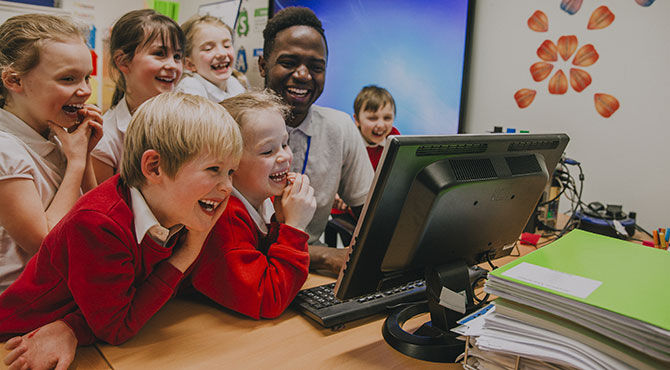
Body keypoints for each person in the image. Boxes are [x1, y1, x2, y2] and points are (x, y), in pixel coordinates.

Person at [0, 92, 242, 370]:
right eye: (214, 169)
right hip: (20, 340)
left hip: (79, 334)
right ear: (154, 167)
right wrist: (190, 250)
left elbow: (149, 293)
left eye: (231, 172)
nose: (227, 187)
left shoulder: (179, 208)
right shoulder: (99, 225)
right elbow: (117, 328)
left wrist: (71, 327)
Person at [258, 7, 374, 274]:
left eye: (316, 67)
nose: (303, 75)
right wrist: (321, 256)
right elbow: (227, 244)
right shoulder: (231, 125)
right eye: (289, 62)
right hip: (252, 268)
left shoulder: (340, 127)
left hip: (310, 273)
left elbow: (371, 216)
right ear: (263, 65)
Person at [0, 14, 103, 293]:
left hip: (56, 291)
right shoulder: (5, 150)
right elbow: (46, 243)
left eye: (86, 78)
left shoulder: (55, 134)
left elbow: (95, 220)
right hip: (17, 304)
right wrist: (76, 163)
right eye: (68, 79)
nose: (84, 91)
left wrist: (84, 157)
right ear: (14, 80)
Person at [190, 90, 315, 319]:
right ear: (230, 163)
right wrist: (295, 226)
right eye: (268, 151)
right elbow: (268, 301)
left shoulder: (260, 200)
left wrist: (281, 220)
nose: (285, 157)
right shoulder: (225, 217)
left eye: (285, 144)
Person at [91, 9, 184, 183]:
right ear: (123, 61)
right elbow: (103, 207)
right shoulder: (106, 140)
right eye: (159, 53)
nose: (173, 65)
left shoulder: (188, 119)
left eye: (177, 56)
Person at [177, 15, 248, 102]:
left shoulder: (234, 83)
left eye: (227, 46)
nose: (222, 53)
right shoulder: (189, 89)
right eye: (208, 49)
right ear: (189, 64)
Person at [353, 85, 400, 170]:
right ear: (357, 120)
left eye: (387, 118)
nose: (381, 125)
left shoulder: (394, 137)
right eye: (372, 118)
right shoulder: (350, 142)